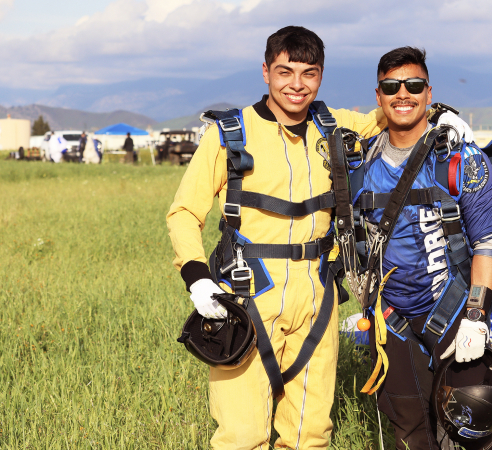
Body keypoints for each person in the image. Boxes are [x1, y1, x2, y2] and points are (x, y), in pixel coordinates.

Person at [166, 26, 472, 450]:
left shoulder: (335, 126)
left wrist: (436, 113)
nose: (296, 84)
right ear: (265, 72)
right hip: (246, 296)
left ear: (321, 76)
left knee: (310, 436)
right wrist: (197, 277)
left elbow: (392, 111)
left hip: (318, 298)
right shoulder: (228, 134)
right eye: (284, 71)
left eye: (308, 73)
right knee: (241, 436)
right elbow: (184, 211)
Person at [354, 47, 492, 449]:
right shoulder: (360, 165)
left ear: (428, 92)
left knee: (476, 419)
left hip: (454, 308)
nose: (402, 94)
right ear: (378, 96)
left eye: (413, 85)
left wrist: (477, 314)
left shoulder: (459, 158)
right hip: (391, 319)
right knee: (408, 430)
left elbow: (490, 242)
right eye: (391, 86)